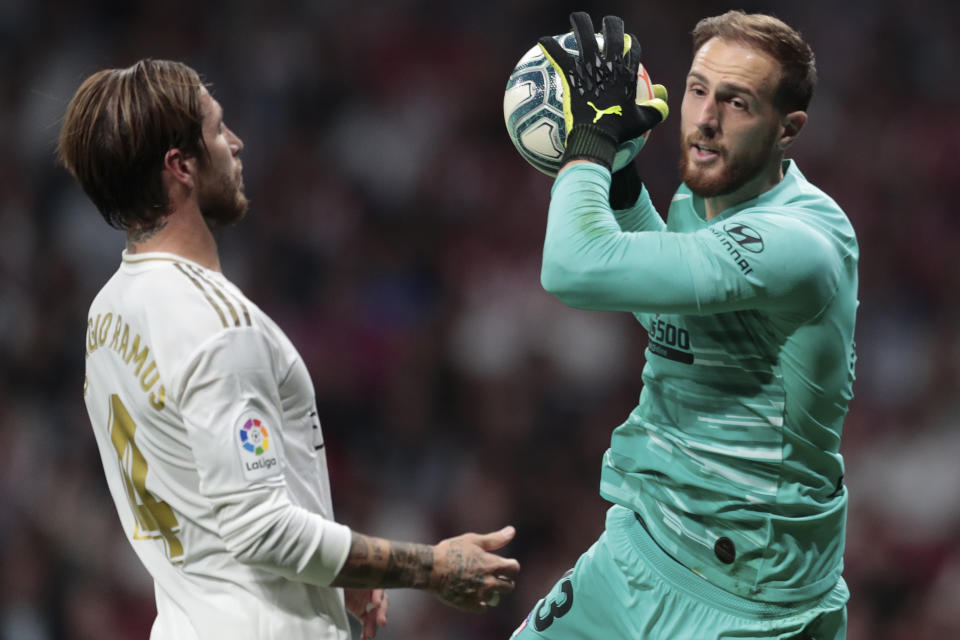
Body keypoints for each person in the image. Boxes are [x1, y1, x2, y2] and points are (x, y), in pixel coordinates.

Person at [57, 59, 519, 640]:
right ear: (180, 167)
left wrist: (328, 571)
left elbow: (208, 500)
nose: (235, 142)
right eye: (218, 129)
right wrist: (432, 568)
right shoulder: (217, 324)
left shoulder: (107, 312)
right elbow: (263, 531)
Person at [512, 10, 857, 640]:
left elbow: (571, 266)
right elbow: (678, 323)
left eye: (737, 102)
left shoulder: (799, 244)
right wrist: (618, 179)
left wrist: (589, 143)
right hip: (638, 550)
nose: (704, 119)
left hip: (748, 605)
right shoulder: (699, 202)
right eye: (698, 90)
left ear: (789, 129)